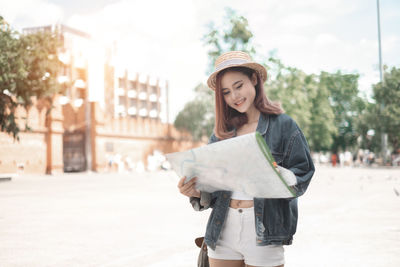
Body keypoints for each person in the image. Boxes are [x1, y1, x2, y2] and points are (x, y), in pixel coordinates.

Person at [177, 51, 315, 267]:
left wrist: (277, 175)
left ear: (254, 79)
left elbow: (303, 174)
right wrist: (197, 191)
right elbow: (213, 189)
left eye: (238, 85)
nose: (234, 96)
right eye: (226, 92)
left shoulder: (284, 126)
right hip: (223, 230)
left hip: (264, 230)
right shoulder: (221, 133)